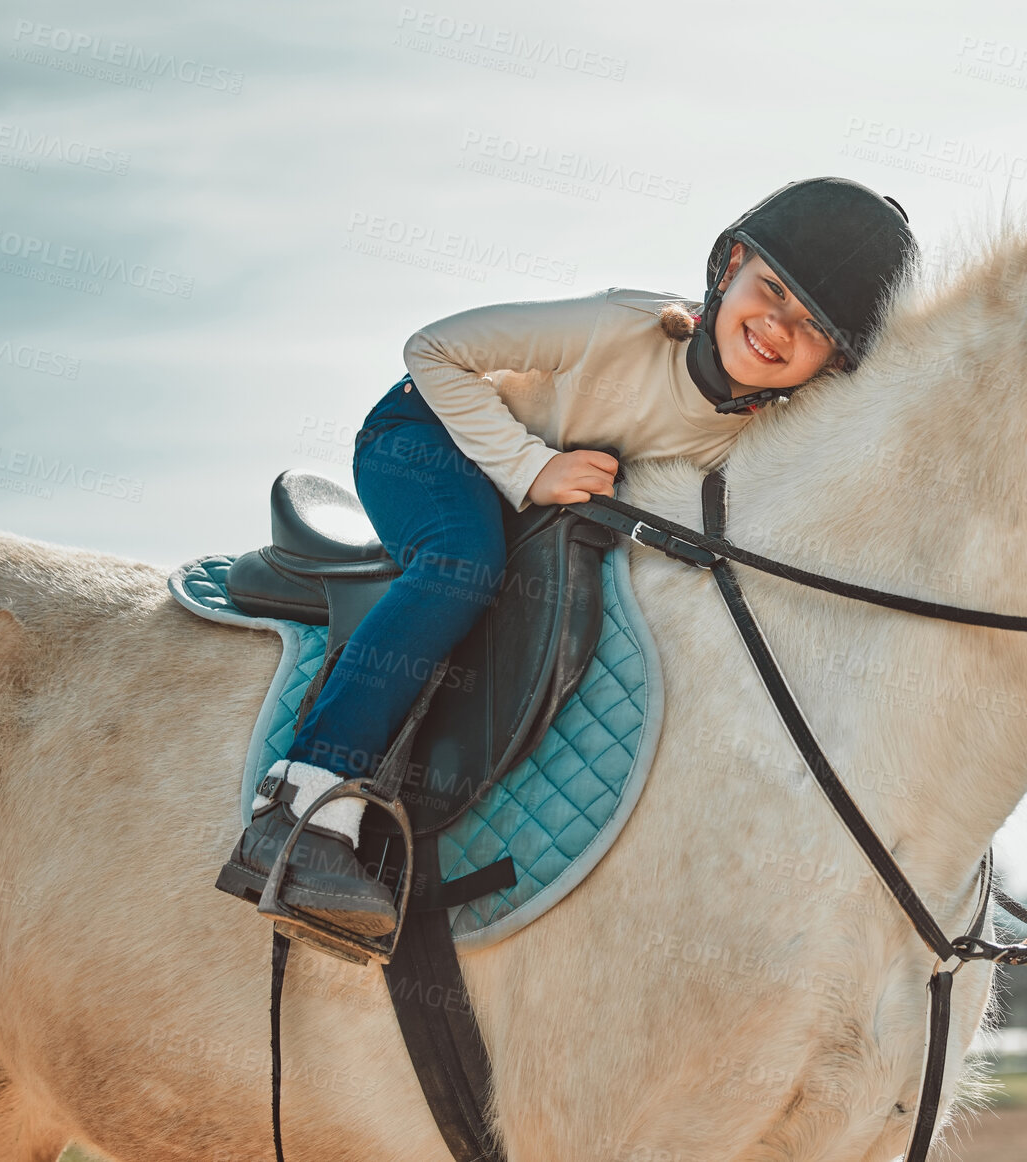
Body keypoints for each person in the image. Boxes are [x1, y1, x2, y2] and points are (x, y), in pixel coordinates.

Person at [217, 177, 918, 938]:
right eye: (771, 290)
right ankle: (300, 808)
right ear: (729, 268)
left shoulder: (763, 428)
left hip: (533, 487)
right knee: (463, 563)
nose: (778, 328)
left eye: (811, 326)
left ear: (831, 364)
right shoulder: (621, 327)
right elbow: (434, 350)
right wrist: (528, 467)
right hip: (428, 434)